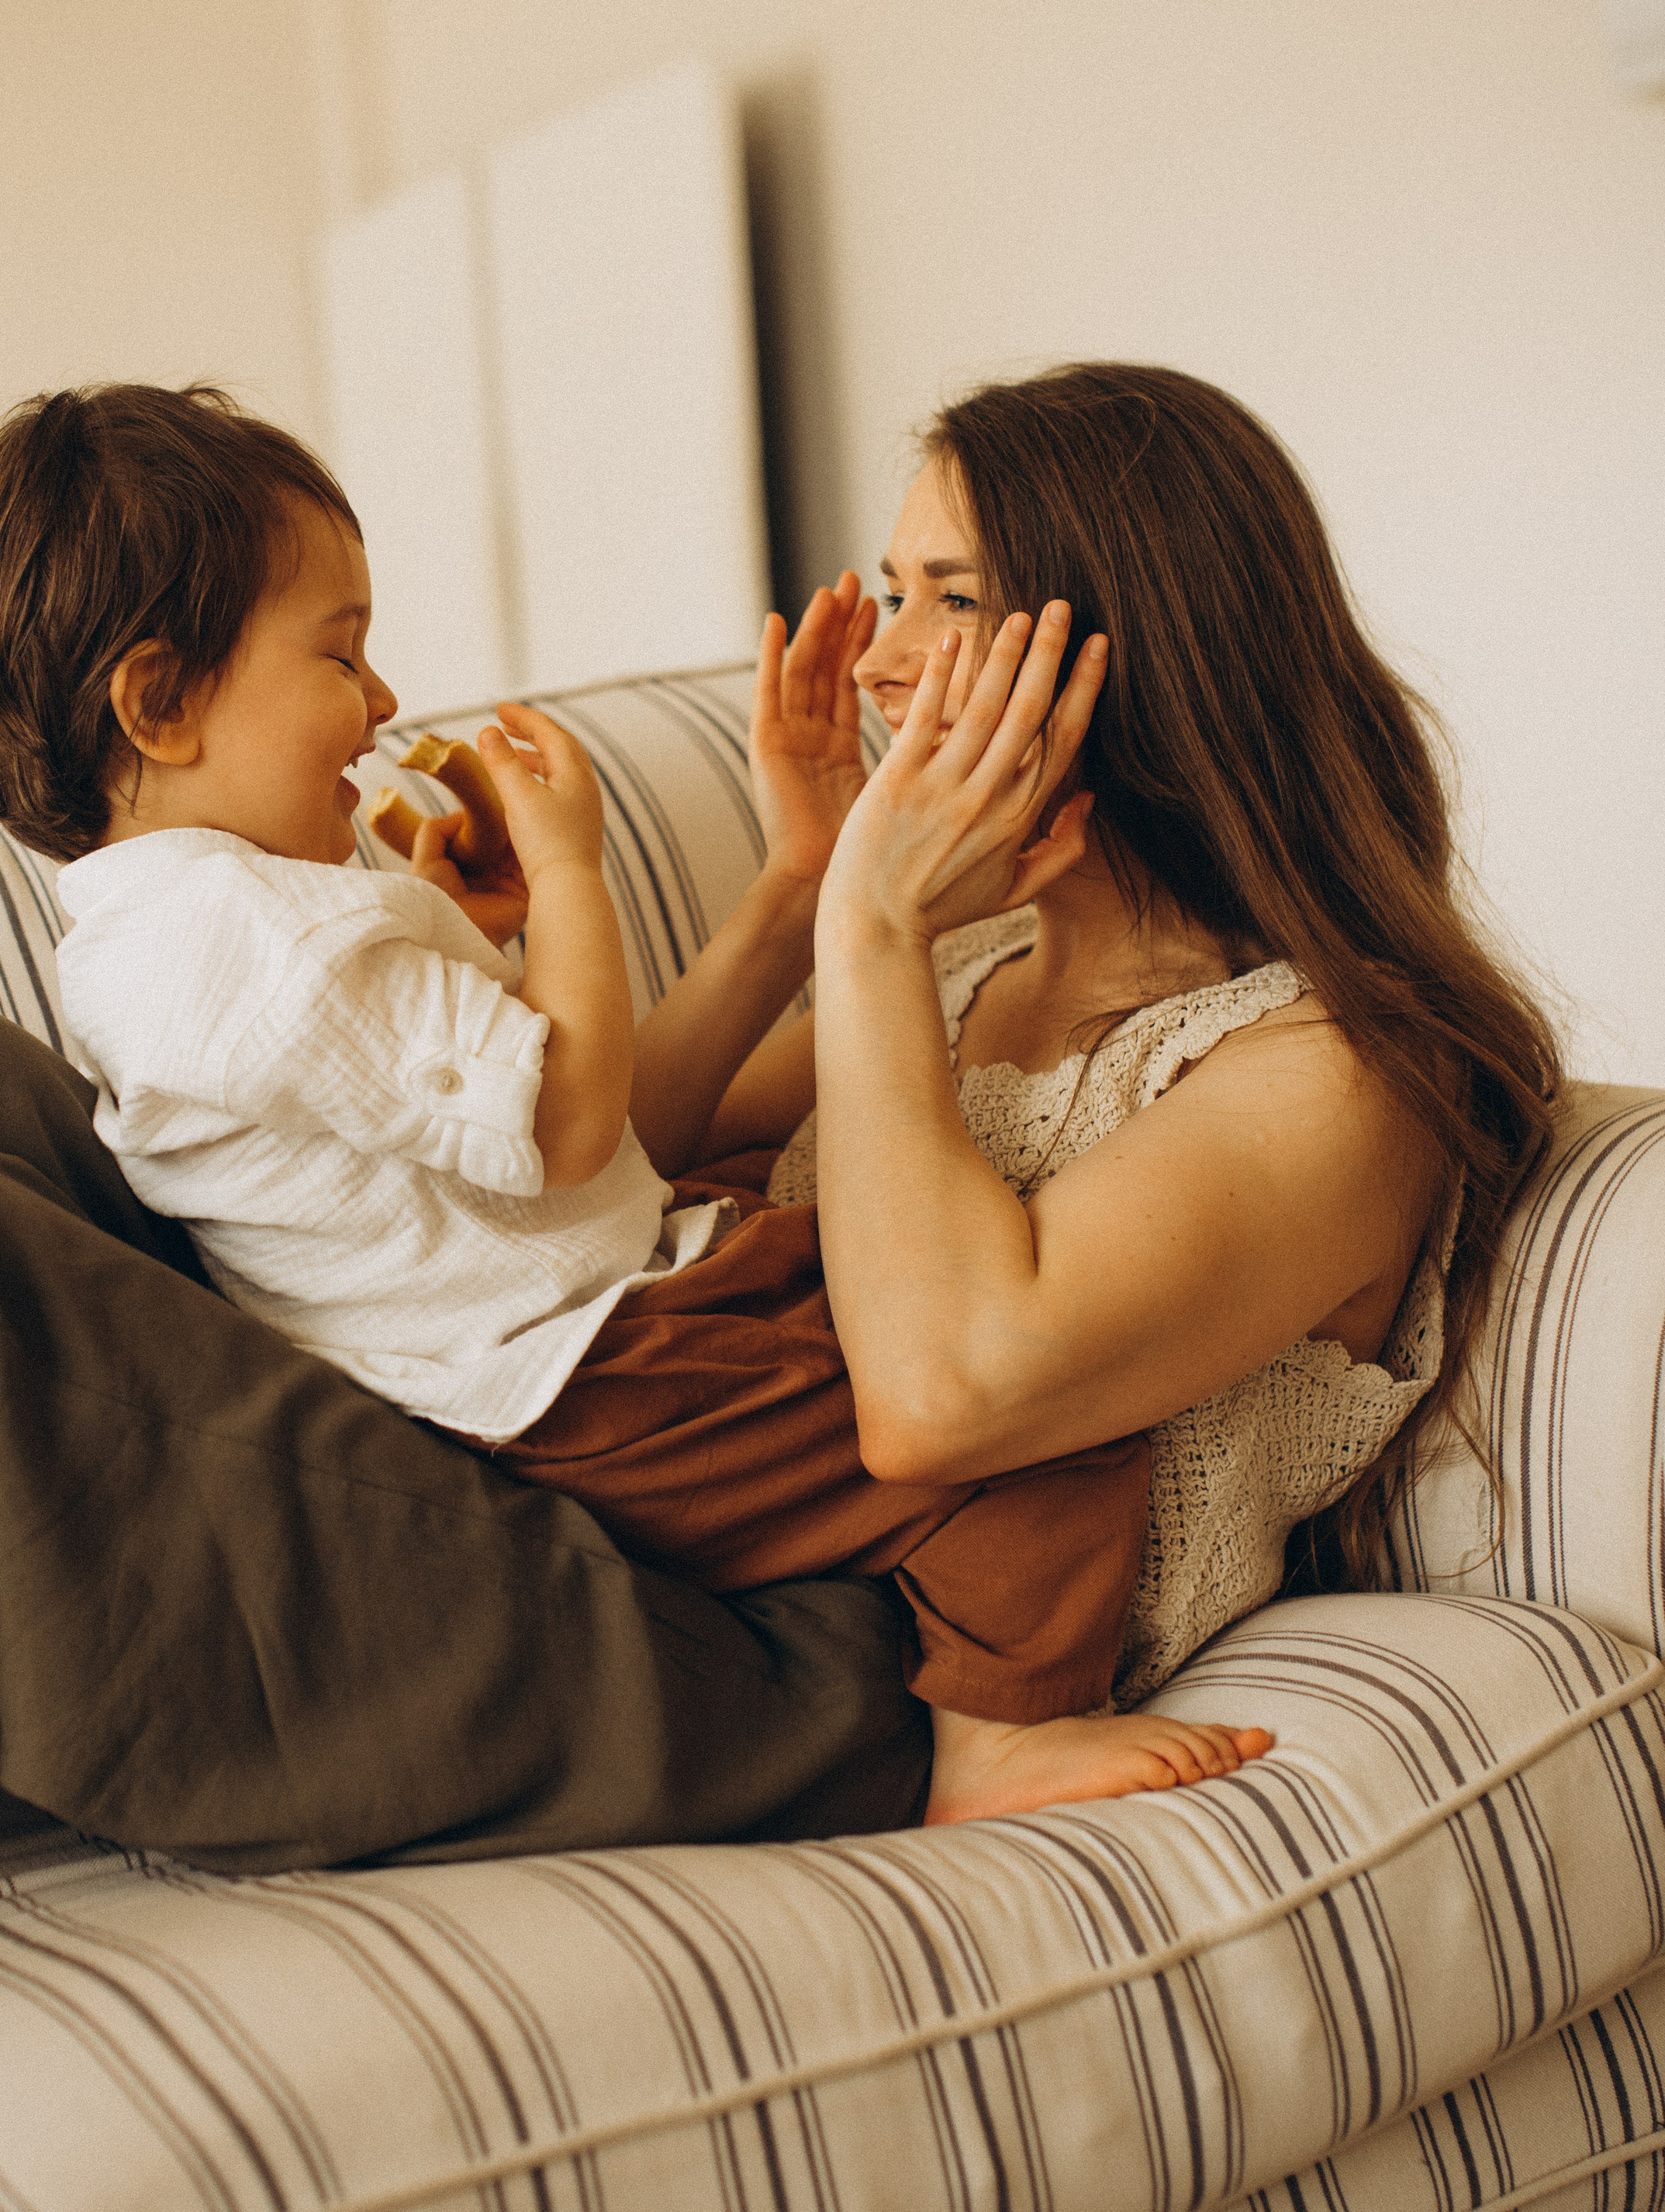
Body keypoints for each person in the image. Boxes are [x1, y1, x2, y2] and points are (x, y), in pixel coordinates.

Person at [0, 383, 1264, 1822]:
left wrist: (806, 889)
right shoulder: (267, 942)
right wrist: (583, 875)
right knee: (1054, 1426)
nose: (881, 657)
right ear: (157, 701)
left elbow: (591, 1136)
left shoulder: (214, 924)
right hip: (573, 1368)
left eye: (944, 598)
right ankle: (997, 1736)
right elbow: (587, 1123)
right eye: (343, 654)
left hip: (570, 1325)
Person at [620, 361, 1560, 1816]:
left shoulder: (1338, 1072)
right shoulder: (965, 967)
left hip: (830, 1671)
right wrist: (803, 889)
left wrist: (870, 927)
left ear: (1138, 645)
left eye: (955, 601)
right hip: (659, 1527)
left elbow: (940, 1402)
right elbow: (596, 1163)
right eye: (892, 591)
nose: (879, 661)